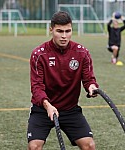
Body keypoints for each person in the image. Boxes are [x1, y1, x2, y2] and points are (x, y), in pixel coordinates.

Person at [27, 11, 99, 150]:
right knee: (34, 147)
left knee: (89, 145)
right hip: (43, 109)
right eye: (59, 31)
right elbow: (37, 87)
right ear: (51, 29)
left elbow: (89, 78)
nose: (64, 36)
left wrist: (91, 87)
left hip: (70, 109)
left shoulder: (82, 52)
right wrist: (48, 106)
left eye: (68, 31)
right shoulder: (39, 54)